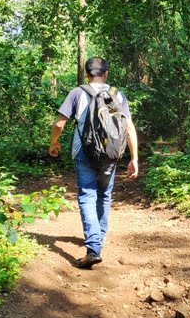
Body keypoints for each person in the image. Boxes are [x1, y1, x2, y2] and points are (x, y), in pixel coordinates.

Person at [48, 57, 139, 269]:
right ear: (105, 73)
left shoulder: (77, 93)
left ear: (87, 74)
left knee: (87, 195)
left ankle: (93, 247)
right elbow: (129, 127)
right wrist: (134, 158)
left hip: (84, 152)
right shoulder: (117, 94)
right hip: (111, 153)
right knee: (104, 194)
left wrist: (53, 143)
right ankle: (100, 237)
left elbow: (59, 123)